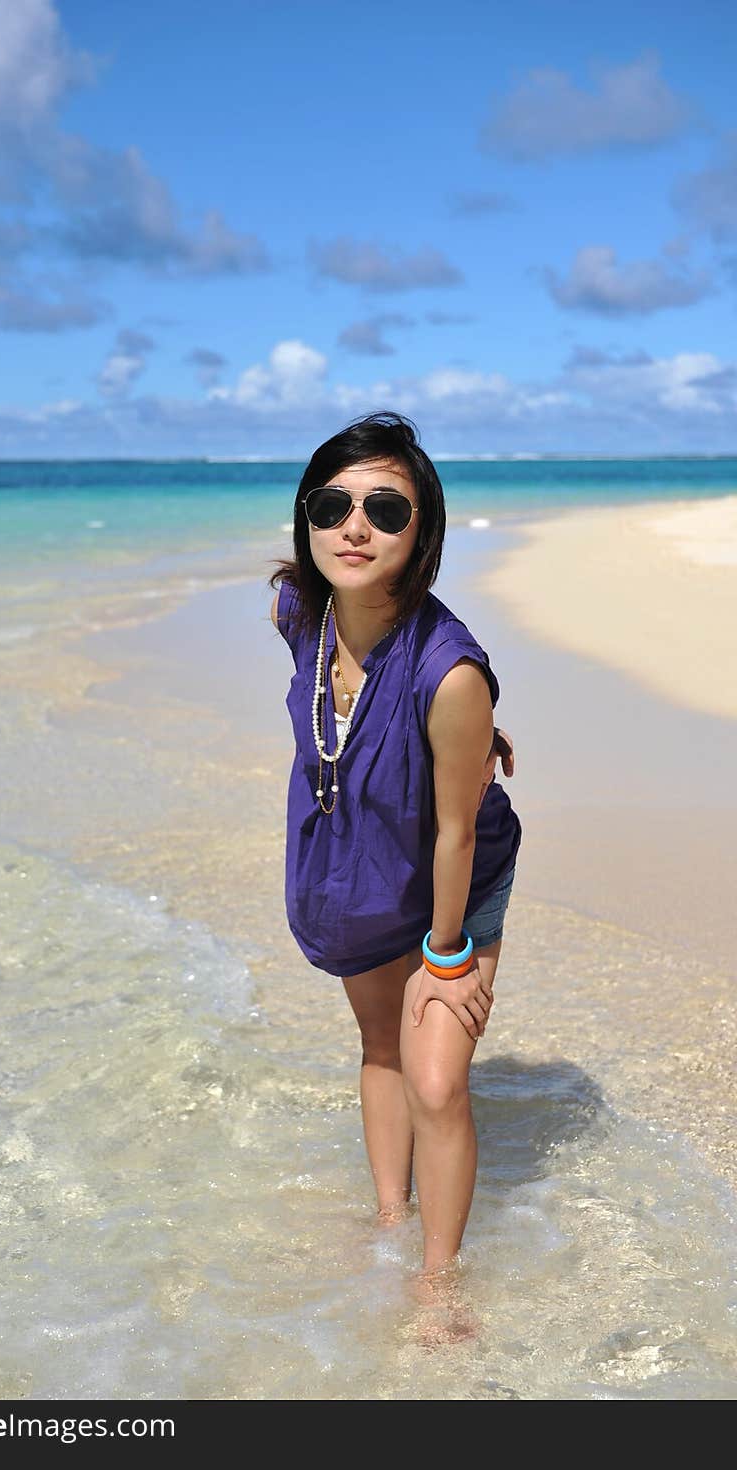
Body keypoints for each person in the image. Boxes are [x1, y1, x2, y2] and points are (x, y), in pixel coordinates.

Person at [268, 410, 522, 1280]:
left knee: (438, 1079)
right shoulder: (300, 610)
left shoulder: (451, 673)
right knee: (381, 1044)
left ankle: (440, 1282)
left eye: (386, 509)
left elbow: (456, 831)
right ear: (305, 519)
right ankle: (387, 1219)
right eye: (332, 503)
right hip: (363, 856)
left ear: (424, 535)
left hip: (452, 878)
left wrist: (447, 954)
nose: (354, 526)